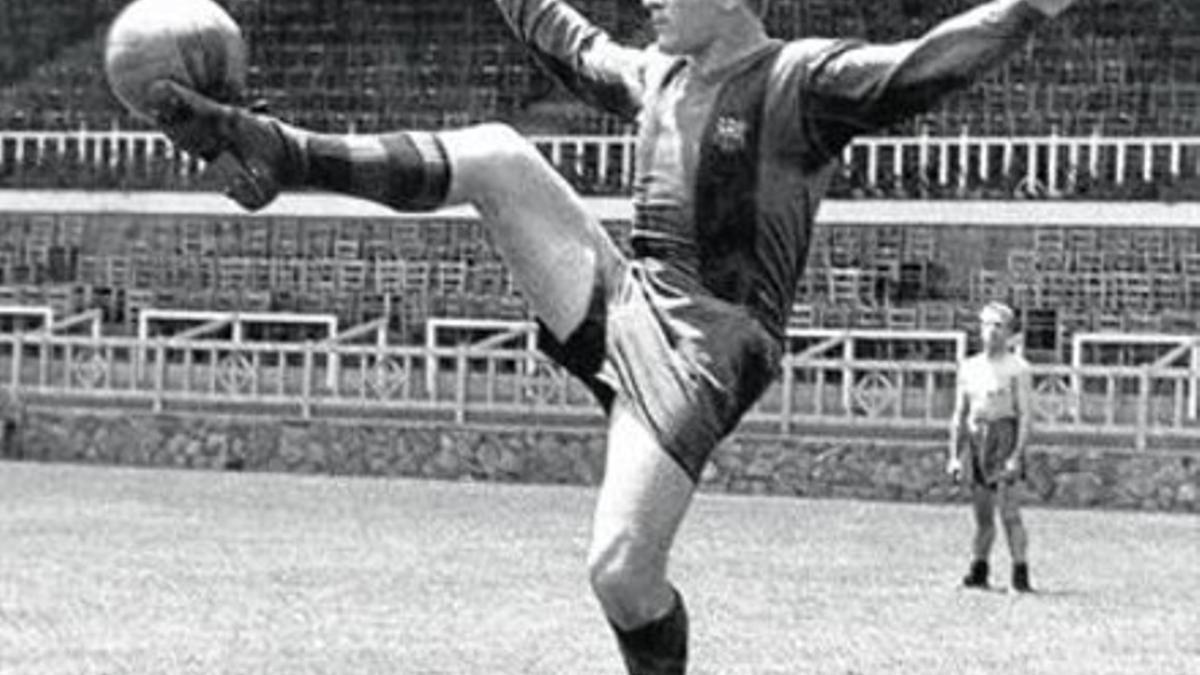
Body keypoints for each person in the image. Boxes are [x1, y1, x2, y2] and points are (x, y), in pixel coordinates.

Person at [147, 0, 1075, 669]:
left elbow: (924, 62)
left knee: (623, 574)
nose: (645, 1)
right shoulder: (658, 75)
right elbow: (567, 38)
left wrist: (1029, 7)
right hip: (629, 305)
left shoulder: (800, 80)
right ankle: (281, 147)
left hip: (710, 344)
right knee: (502, 157)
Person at [947, 301, 1034, 593]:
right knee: (983, 516)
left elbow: (1024, 415)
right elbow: (959, 414)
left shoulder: (1017, 368)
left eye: (999, 326)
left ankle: (1020, 574)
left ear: (1009, 332)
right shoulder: (969, 367)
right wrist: (954, 456)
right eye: (987, 325)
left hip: (1004, 435)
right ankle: (979, 570)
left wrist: (1016, 455)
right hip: (976, 437)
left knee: (1009, 513)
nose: (992, 331)